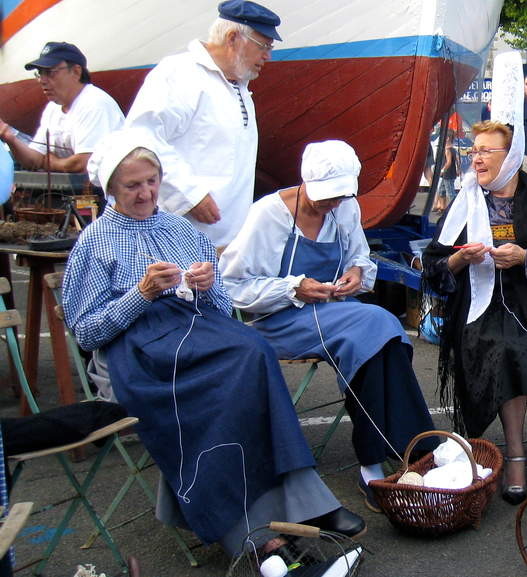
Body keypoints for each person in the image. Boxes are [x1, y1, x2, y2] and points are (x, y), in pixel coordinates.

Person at [61, 134, 364, 557]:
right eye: (133, 185)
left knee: (253, 353)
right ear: (110, 187)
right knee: (225, 385)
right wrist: (142, 294)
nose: (146, 192)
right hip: (137, 355)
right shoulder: (94, 243)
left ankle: (304, 502)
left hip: (197, 336)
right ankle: (252, 530)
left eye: (151, 181)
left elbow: (223, 308)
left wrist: (205, 289)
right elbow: (87, 334)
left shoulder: (181, 228)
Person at [220, 140, 437, 513]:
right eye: (326, 197)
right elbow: (233, 287)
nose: (332, 205)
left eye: (339, 197)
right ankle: (408, 453)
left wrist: (356, 274)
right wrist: (293, 287)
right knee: (379, 323)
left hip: (336, 313)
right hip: (278, 320)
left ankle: (386, 460)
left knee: (379, 343)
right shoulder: (268, 216)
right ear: (305, 182)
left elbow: (360, 258)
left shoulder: (345, 208)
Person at [422, 120, 527, 504]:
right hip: (484, 305)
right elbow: (432, 267)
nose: (476, 159)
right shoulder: (464, 203)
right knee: (502, 348)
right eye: (474, 150)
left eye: (485, 151)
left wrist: (526, 257)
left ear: (512, 158)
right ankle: (515, 453)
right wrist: (459, 261)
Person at [120, 0, 280, 247]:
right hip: (178, 239)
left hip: (226, 243)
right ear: (233, 37)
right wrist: (189, 196)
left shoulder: (236, 83)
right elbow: (141, 140)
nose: (267, 56)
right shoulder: (180, 74)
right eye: (263, 46)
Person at [0, 42, 122, 173]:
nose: (42, 80)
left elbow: (84, 163)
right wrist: (10, 138)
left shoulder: (94, 104)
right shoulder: (53, 108)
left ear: (76, 71)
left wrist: (49, 161)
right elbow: (34, 159)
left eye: (50, 72)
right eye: (40, 74)